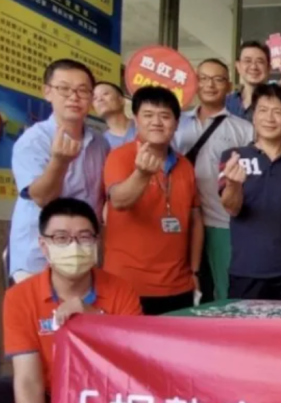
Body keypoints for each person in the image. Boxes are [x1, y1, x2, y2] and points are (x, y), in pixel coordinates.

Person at [1, 198, 142, 403]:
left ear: (97, 241)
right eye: (61, 238)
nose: (74, 247)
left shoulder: (121, 291)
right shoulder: (20, 298)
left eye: (84, 237)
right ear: (43, 245)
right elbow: (28, 382)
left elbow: (135, 367)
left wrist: (94, 320)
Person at [103, 86, 203, 315]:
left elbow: (196, 219)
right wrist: (141, 174)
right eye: (148, 115)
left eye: (165, 116)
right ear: (136, 120)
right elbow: (119, 201)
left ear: (176, 124)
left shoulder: (185, 165)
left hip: (179, 285)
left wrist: (195, 271)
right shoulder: (120, 157)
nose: (157, 122)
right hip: (128, 285)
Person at [10, 59, 109, 283]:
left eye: (82, 90)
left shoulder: (100, 144)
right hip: (38, 257)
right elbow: (42, 198)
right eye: (64, 88)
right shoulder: (33, 141)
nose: (74, 97)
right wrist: (60, 162)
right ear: (47, 92)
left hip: (83, 256)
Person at [219, 85, 281, 300]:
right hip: (247, 269)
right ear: (253, 116)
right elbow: (232, 208)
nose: (270, 118)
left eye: (278, 112)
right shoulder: (233, 157)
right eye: (263, 110)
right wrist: (234, 184)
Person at [174, 58, 254, 302]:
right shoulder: (175, 123)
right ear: (195, 82)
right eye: (204, 79)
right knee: (182, 289)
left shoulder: (243, 129)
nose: (210, 85)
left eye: (218, 79)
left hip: (223, 223)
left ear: (229, 86)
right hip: (180, 222)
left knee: (223, 291)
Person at [226, 41, 271, 120]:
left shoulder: (280, 103)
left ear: (269, 68)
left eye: (260, 62)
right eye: (247, 61)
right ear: (238, 66)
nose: (253, 67)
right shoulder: (226, 102)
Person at [92, 82, 135, 149]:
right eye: (94, 98)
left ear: (121, 100)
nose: (100, 99)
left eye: (105, 94)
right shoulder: (102, 144)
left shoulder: (143, 126)